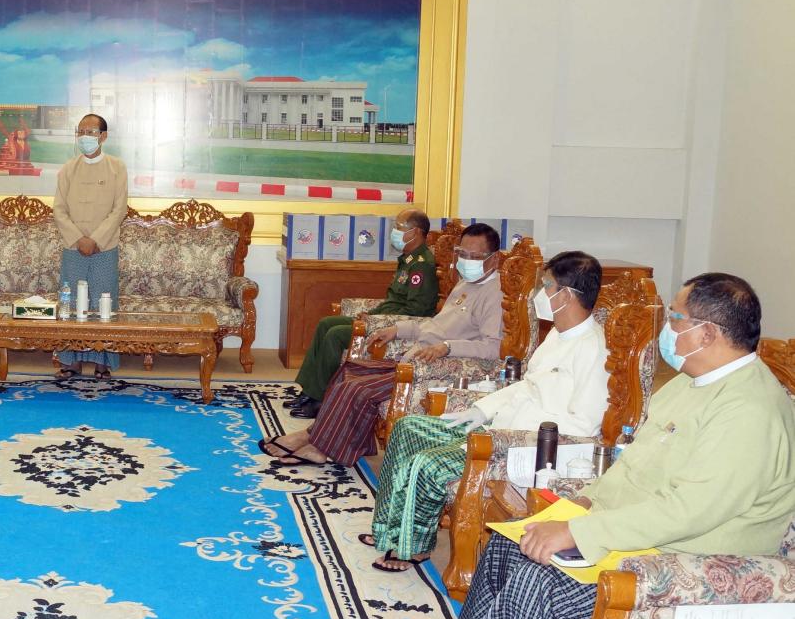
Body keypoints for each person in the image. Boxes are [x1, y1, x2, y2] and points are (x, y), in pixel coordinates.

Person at [428, 273, 795, 619]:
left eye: (676, 318)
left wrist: (582, 532)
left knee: (543, 578)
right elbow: (634, 466)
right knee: (509, 545)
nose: (667, 329)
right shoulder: (692, 385)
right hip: (639, 526)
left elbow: (691, 511)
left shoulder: (748, 409)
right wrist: (585, 501)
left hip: (688, 555)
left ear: (707, 333)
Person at [365, 251, 609, 572]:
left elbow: (584, 426)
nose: (539, 294)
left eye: (547, 286)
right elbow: (527, 385)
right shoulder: (557, 334)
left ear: (566, 295)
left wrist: (509, 430)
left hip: (524, 446)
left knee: (428, 463)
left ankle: (414, 547)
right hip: (497, 424)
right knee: (408, 428)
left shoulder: (594, 348)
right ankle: (389, 530)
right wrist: (480, 410)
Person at [260, 223, 505, 469]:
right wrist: (397, 329)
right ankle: (312, 438)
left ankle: (316, 447)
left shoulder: (495, 294)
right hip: (412, 358)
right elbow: (434, 325)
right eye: (462, 253)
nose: (466, 260)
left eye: (475, 256)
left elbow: (493, 348)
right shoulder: (466, 283)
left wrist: (448, 347)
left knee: (357, 388)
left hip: (431, 369)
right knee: (348, 371)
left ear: (493, 259)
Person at [288, 209, 438, 418]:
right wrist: (372, 313)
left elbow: (416, 311)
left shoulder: (422, 265)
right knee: (326, 323)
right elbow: (394, 300)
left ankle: (321, 400)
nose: (394, 231)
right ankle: (308, 392)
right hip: (383, 317)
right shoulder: (408, 260)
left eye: (399, 227)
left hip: (392, 326)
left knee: (335, 335)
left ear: (416, 232)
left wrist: (377, 319)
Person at [52, 113, 128, 379]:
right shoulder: (68, 169)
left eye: (91, 132)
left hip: (104, 247)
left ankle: (102, 362)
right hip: (73, 247)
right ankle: (70, 361)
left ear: (103, 137)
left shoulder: (117, 167)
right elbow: (59, 209)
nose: (85, 137)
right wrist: (79, 238)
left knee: (102, 303)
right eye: (81, 132)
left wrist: (96, 239)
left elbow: (119, 209)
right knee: (71, 302)